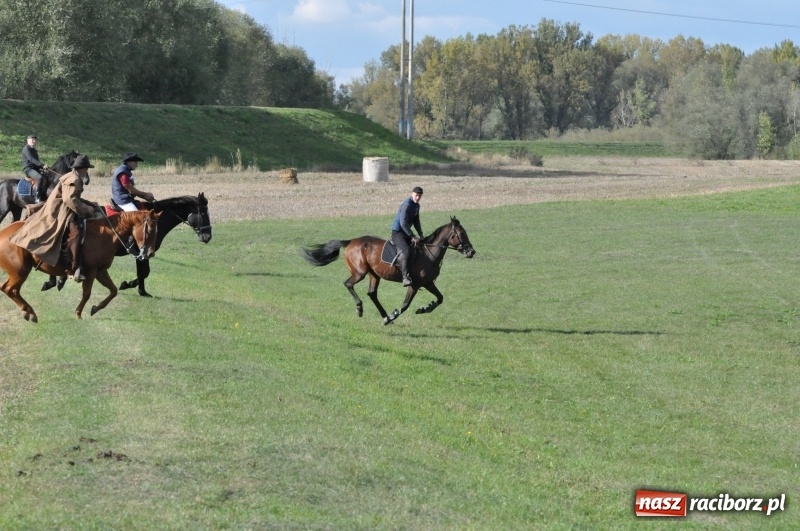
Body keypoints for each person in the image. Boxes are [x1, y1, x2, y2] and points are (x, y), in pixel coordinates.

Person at [10, 154, 104, 282]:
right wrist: (86, 209)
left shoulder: (72, 176)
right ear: (82, 168)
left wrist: (89, 204)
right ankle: (74, 268)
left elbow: (74, 198)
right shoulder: (73, 179)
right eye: (86, 168)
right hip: (60, 210)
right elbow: (69, 200)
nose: (87, 171)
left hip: (63, 207)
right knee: (76, 234)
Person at [391, 186, 424, 286]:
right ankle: (405, 277)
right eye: (416, 195)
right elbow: (403, 223)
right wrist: (413, 236)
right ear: (412, 194)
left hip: (405, 233)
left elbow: (416, 221)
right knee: (406, 252)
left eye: (420, 196)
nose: (418, 198)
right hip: (397, 233)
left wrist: (421, 234)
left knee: (418, 248)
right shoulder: (407, 205)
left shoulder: (416, 206)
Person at [21, 134, 48, 203]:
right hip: (28, 169)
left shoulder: (34, 150)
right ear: (28, 140)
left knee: (47, 175)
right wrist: (42, 165)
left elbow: (36, 161)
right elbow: (31, 159)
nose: (34, 141)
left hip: (35, 169)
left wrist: (43, 168)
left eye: (35, 140)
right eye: (32, 140)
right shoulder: (26, 149)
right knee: (40, 177)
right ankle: (37, 197)